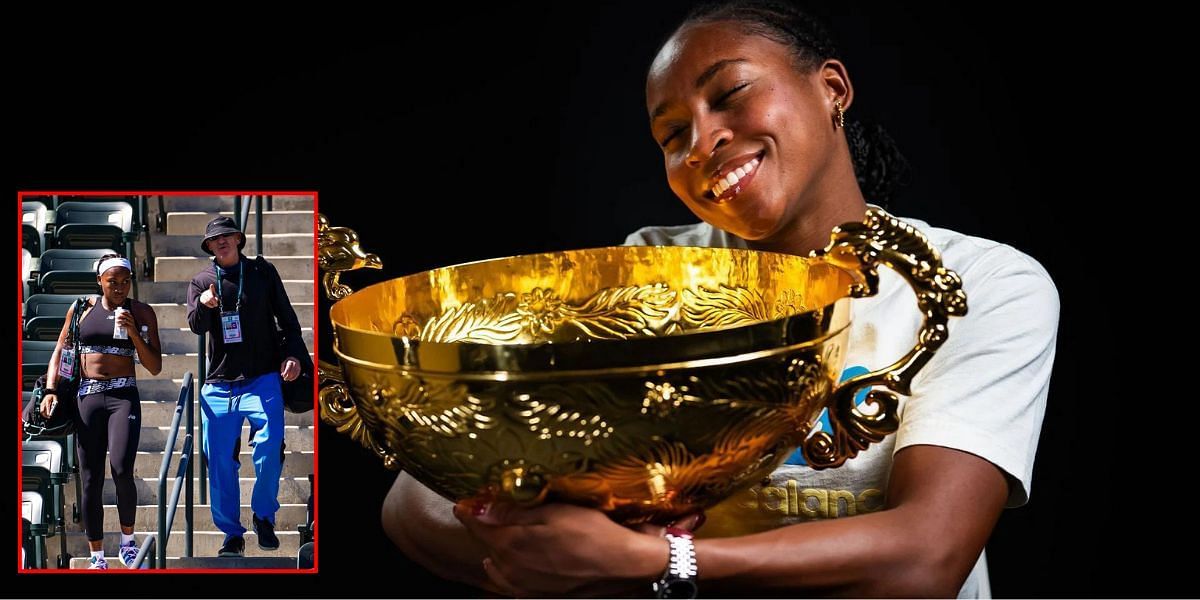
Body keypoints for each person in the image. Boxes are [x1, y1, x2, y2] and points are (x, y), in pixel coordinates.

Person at [382, 1, 1060, 596]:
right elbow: (414, 502)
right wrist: (557, 557)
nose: (703, 143)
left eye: (731, 93)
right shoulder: (648, 272)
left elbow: (924, 560)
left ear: (832, 89)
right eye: (672, 136)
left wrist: (658, 562)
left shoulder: (984, 284)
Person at [187, 216, 305, 557]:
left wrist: (294, 355)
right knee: (219, 461)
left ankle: (263, 515)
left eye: (227, 236)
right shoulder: (201, 281)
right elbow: (195, 326)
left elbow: (288, 319)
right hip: (219, 385)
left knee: (269, 447)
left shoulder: (262, 272)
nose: (221, 242)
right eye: (214, 239)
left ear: (238, 239)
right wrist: (204, 305)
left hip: (263, 377)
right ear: (208, 246)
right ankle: (231, 535)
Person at [40, 254, 162, 569]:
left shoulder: (141, 311)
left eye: (125, 281)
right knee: (91, 477)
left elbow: (154, 365)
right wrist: (51, 390)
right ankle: (96, 556)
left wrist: (134, 333)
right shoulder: (81, 309)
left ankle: (127, 541)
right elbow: (60, 352)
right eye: (113, 281)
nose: (120, 287)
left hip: (123, 396)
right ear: (99, 281)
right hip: (88, 398)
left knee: (121, 468)